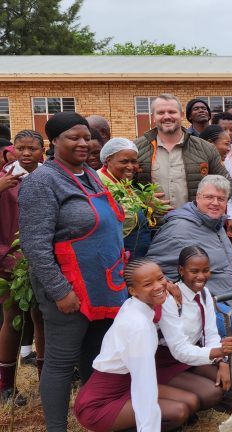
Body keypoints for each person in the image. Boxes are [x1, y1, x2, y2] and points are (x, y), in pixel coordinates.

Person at [19, 112, 129, 430]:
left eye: (86, 137)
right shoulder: (42, 182)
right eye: (73, 137)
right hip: (70, 290)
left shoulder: (89, 174)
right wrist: (60, 291)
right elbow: (35, 246)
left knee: (94, 355)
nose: (83, 143)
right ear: (54, 142)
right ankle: (56, 426)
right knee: (61, 361)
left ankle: (92, 417)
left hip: (102, 285)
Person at [145, 175, 232, 406]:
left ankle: (224, 378)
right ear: (197, 198)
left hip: (216, 298)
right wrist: (168, 284)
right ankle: (228, 391)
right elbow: (152, 264)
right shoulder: (180, 227)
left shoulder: (215, 223)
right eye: (209, 197)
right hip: (196, 302)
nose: (215, 203)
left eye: (221, 199)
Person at [74, 258, 195, 432]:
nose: (159, 286)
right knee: (179, 411)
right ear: (133, 291)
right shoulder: (139, 325)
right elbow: (143, 384)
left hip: (126, 387)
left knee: (190, 401)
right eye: (148, 284)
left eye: (161, 278)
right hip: (99, 404)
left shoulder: (137, 305)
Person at [156, 246, 232, 413]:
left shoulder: (204, 293)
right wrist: (217, 354)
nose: (201, 276)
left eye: (206, 270)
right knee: (210, 393)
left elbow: (211, 333)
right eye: (194, 271)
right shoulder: (169, 299)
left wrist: (221, 362)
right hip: (167, 361)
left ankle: (226, 398)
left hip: (191, 357)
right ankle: (184, 402)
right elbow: (179, 350)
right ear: (181, 270)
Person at [0, 130, 45, 405]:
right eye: (21, 148)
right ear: (12, 150)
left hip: (43, 259)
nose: (26, 153)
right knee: (12, 319)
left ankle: (46, 383)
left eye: (32, 148)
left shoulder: (50, 175)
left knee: (42, 320)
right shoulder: (5, 177)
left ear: (43, 150)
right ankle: (6, 386)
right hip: (10, 258)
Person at [134, 94, 232, 215]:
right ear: (153, 117)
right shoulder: (136, 149)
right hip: (151, 227)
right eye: (160, 113)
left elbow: (228, 185)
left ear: (181, 115)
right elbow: (120, 187)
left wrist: (207, 205)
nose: (167, 116)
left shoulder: (205, 148)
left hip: (196, 225)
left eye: (172, 112)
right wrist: (142, 201)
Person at [97, 138, 153, 258]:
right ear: (108, 160)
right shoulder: (98, 184)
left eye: (134, 161)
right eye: (124, 162)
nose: (131, 166)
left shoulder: (121, 181)